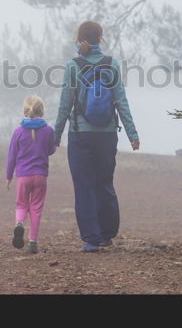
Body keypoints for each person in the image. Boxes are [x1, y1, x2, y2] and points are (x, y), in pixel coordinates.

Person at [54, 21, 139, 252]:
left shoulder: (73, 66)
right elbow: (121, 100)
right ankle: (107, 234)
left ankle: (91, 239)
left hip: (81, 135)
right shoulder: (111, 64)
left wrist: (56, 135)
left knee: (84, 186)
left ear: (79, 38)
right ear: (99, 39)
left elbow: (65, 104)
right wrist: (132, 134)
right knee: (104, 182)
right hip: (107, 134)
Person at [5, 95, 56, 254]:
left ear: (25, 111)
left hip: (23, 176)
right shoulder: (48, 130)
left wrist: (8, 176)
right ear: (42, 111)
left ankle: (19, 223)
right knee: (36, 208)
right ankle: (33, 242)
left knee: (21, 204)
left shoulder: (18, 132)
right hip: (40, 176)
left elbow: (12, 156)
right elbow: (50, 150)